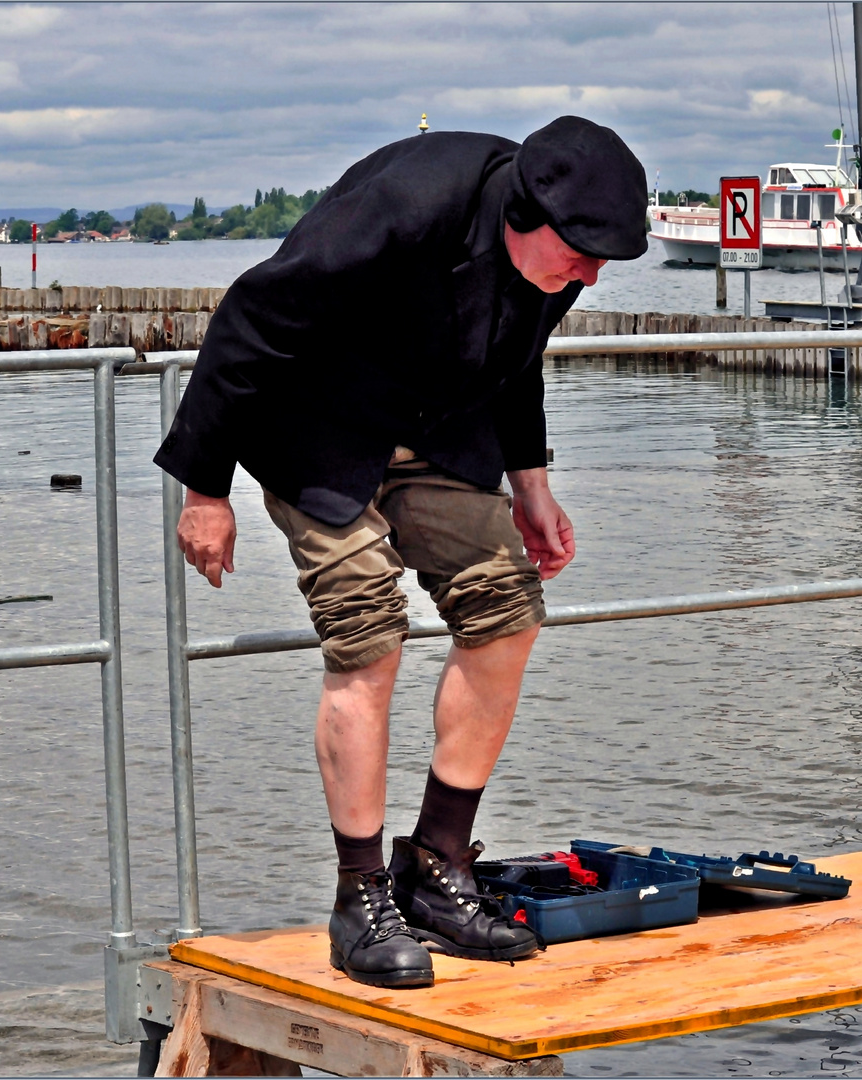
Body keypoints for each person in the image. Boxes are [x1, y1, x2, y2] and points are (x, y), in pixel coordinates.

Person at [155, 116, 649, 989]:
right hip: (317, 429)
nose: (593, 275)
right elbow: (250, 317)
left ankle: (437, 869)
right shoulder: (406, 205)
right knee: (369, 631)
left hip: (435, 431)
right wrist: (205, 490)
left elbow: (518, 354)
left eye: (605, 260)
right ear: (527, 213)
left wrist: (531, 484)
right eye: (584, 256)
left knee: (507, 607)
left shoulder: (560, 253)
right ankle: (361, 897)